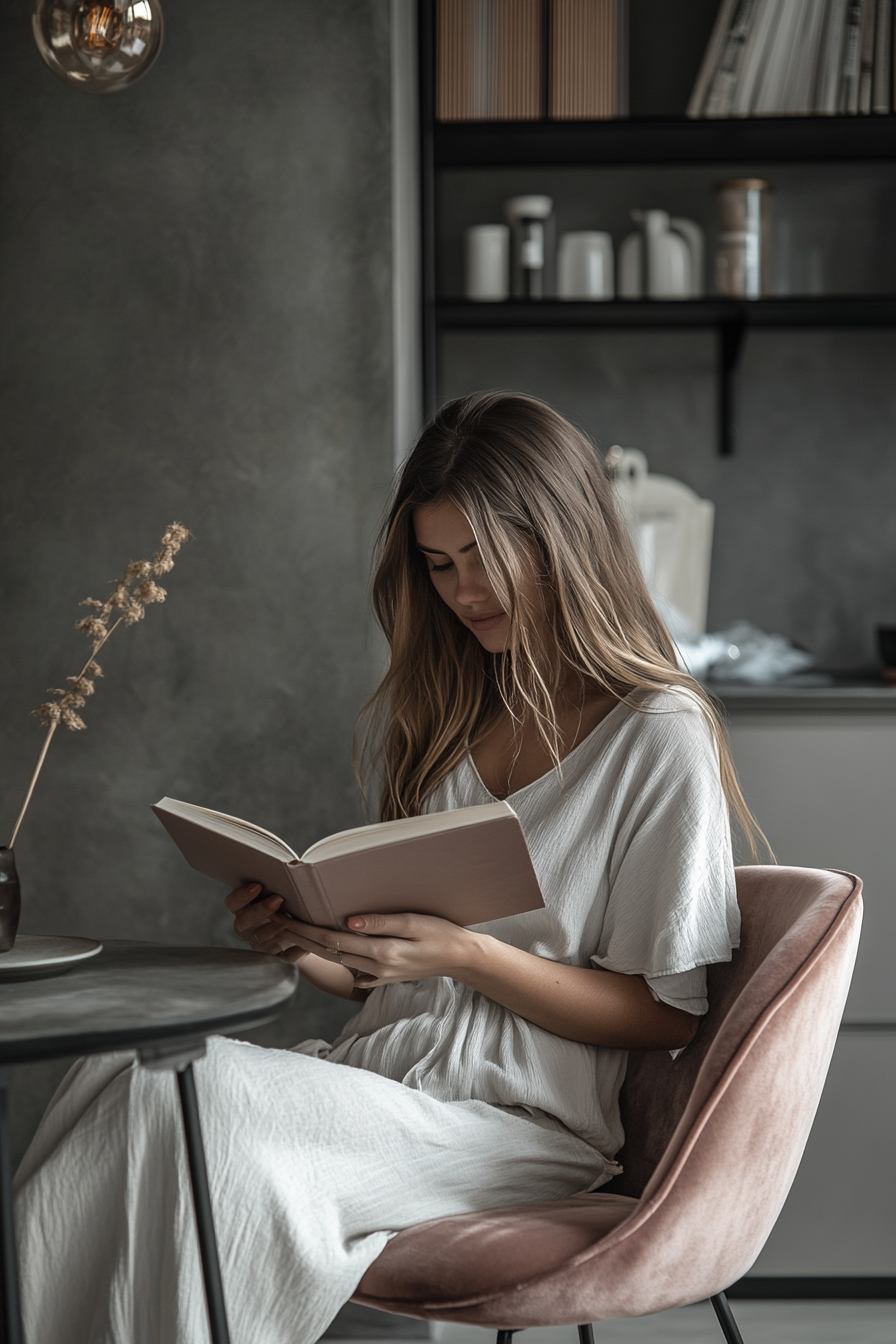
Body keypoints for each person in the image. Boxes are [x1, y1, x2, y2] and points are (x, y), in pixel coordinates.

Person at [15, 392, 756, 1344]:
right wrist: (304, 944)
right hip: (382, 1078)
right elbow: (390, 974)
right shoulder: (454, 729)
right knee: (120, 1065)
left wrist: (469, 958)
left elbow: (666, 1012)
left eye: (485, 559)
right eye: (440, 565)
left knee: (202, 1099)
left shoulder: (657, 735)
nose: (463, 592)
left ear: (565, 540)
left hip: (518, 1125)